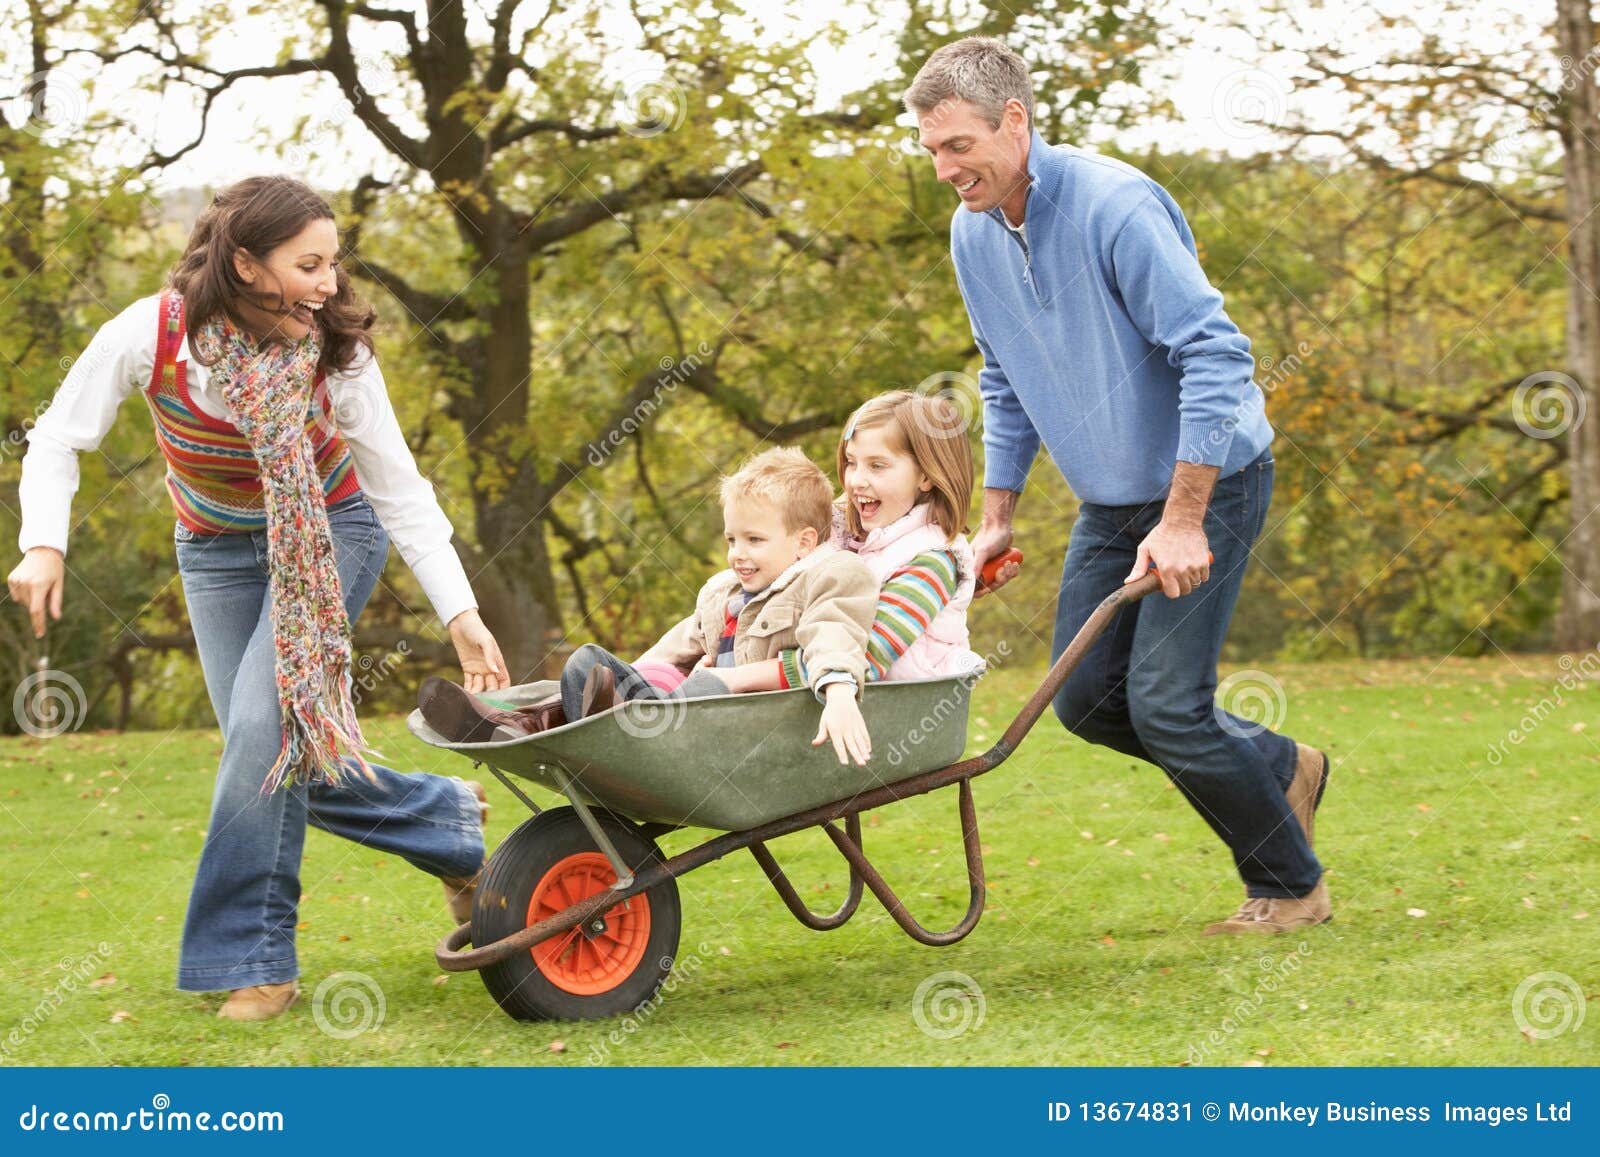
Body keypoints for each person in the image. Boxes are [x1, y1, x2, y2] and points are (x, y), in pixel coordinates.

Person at [6, 177, 511, 1020]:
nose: (328, 283)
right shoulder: (152, 331)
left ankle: (256, 959)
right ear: (245, 263)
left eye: (333, 262)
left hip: (330, 533)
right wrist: (42, 542)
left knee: (256, 737)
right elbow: (59, 435)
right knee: (270, 748)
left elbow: (400, 491)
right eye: (308, 264)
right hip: (212, 549)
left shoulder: (335, 349)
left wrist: (460, 614)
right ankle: (445, 823)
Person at [904, 37, 1332, 934]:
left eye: (957, 146)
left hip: (1208, 482)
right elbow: (1002, 371)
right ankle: (1281, 764)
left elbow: (1217, 355)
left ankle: (1290, 886)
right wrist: (995, 516)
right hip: (1111, 501)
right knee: (1085, 700)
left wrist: (1183, 518)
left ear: (1014, 122)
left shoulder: (1113, 206)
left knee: (1168, 708)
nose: (943, 168)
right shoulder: (972, 232)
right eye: (931, 148)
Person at [419, 447, 881, 765]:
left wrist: (838, 694)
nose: (738, 552)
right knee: (589, 663)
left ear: (803, 542)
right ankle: (521, 722)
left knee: (701, 688)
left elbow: (832, 642)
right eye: (732, 539)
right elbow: (673, 646)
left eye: (755, 540)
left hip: (746, 732)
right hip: (683, 717)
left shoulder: (832, 575)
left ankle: (575, 722)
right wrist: (629, 675)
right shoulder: (724, 591)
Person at [717, 390, 986, 697]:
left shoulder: (931, 561)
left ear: (925, 476)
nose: (856, 480)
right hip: (822, 699)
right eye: (850, 462)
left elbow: (860, 655)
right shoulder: (842, 530)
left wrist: (737, 677)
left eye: (877, 466)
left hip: (896, 709)